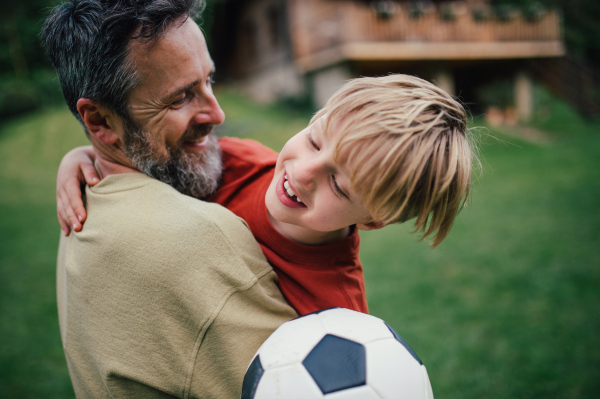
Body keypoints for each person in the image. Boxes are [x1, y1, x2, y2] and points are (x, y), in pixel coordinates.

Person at [57, 74, 477, 316]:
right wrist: (86, 156)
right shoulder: (239, 161)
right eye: (314, 141)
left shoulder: (334, 309)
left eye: (338, 184)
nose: (304, 170)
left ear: (373, 219)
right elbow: (148, 160)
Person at [42, 0, 297, 397]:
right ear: (99, 121)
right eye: (179, 99)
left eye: (208, 81)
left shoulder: (85, 201)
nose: (217, 113)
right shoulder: (198, 236)